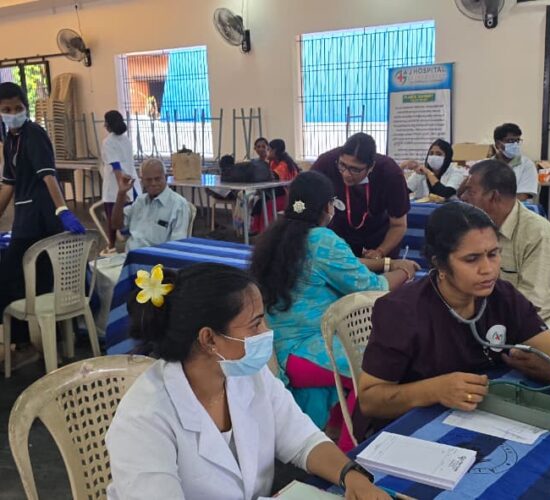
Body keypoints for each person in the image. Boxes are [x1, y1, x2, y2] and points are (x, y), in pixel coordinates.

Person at [106, 262, 389, 500]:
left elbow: (302, 439)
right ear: (209, 339)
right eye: (256, 324)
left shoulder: (245, 374)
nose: (267, 332)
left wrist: (351, 476)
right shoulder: (144, 419)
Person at [355, 202, 550, 442]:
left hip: (480, 417)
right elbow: (370, 401)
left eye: (493, 254)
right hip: (410, 431)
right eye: (472, 259)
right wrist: (434, 390)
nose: (488, 269)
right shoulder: (402, 311)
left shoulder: (502, 297)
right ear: (439, 263)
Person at [251, 171, 419, 432]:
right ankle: (352, 445)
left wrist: (387, 263)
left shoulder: (278, 235)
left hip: (280, 350)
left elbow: (344, 263)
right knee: (381, 372)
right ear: (328, 206)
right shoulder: (322, 239)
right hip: (308, 349)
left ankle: (335, 433)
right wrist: (405, 271)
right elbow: (374, 288)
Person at [0, 82, 85, 366]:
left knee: (18, 279)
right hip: (24, 220)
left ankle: (36, 346)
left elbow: (49, 176)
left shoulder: (34, 134)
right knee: (27, 282)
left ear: (26, 107)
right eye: (6, 109)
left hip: (40, 220)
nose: (13, 113)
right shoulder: (10, 139)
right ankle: (40, 345)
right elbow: (8, 184)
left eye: (18, 107)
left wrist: (62, 210)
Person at [460, 159, 550, 331]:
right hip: (504, 314)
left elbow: (529, 303)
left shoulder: (537, 234)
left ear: (494, 197)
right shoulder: (481, 227)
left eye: (470, 192)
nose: (463, 198)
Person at [311, 133, 409, 266]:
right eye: (342, 165)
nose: (346, 174)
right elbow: (301, 200)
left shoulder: (390, 174)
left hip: (380, 235)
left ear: (371, 167)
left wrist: (380, 252)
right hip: (340, 234)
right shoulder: (326, 163)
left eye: (355, 169)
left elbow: (399, 225)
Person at [111, 158, 190, 251]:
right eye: (148, 180)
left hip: (156, 258)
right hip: (130, 255)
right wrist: (121, 193)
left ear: (165, 177)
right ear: (142, 181)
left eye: (157, 179)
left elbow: (177, 247)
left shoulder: (179, 205)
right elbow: (116, 225)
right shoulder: (140, 201)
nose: (153, 183)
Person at [101, 110, 141, 254]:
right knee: (132, 218)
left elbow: (116, 166)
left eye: (105, 122)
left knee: (113, 218)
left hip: (116, 187)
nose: (104, 125)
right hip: (132, 184)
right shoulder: (126, 139)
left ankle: (111, 246)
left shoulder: (108, 142)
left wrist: (122, 191)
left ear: (109, 124)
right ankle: (131, 243)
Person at [250, 138, 299, 234]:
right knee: (259, 203)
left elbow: (272, 177)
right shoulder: (273, 162)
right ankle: (256, 229)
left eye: (268, 149)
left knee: (268, 206)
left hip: (290, 196)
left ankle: (267, 233)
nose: (266, 152)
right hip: (278, 193)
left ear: (275, 151)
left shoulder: (284, 164)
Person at [402, 139, 467, 200]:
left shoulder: (456, 172)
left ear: (447, 157)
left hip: (448, 207)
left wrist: (428, 173)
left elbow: (445, 193)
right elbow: (402, 191)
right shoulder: (421, 171)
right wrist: (401, 167)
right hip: (423, 207)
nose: (434, 156)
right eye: (431, 153)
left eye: (439, 154)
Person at [493, 123, 538, 201]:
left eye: (517, 140)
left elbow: (523, 195)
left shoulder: (526, 165)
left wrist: (497, 203)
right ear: (498, 144)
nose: (515, 144)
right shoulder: (487, 166)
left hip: (518, 206)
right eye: (510, 141)